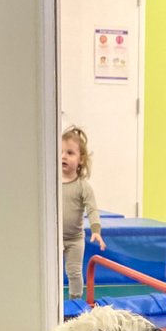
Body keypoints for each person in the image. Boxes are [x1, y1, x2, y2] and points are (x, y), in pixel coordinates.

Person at [61, 126, 104, 299]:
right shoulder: (52, 181)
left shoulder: (82, 186)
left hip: (74, 239)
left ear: (80, 160)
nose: (64, 156)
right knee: (50, 272)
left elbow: (92, 208)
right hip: (53, 238)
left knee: (74, 272)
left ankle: (76, 301)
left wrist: (96, 230)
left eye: (70, 153)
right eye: (61, 152)